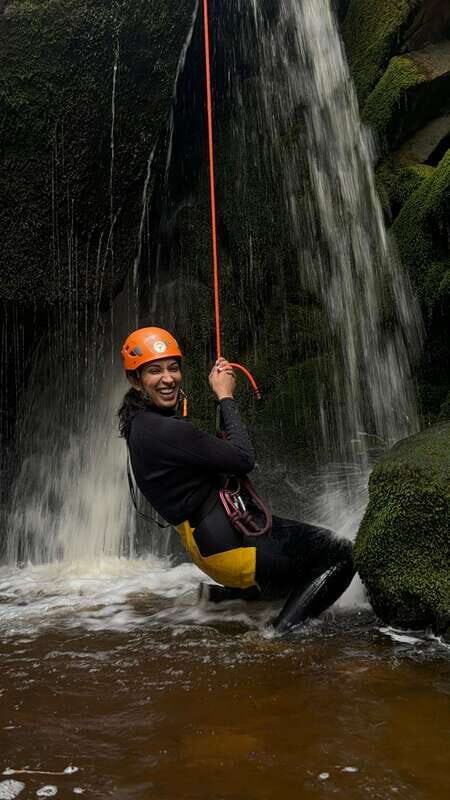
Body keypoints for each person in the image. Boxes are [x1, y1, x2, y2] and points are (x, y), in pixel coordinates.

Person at [118, 326, 355, 633]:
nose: (168, 378)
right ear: (135, 380)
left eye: (173, 368)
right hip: (230, 547)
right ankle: (277, 637)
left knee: (302, 559)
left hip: (210, 544)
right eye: (155, 371)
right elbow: (243, 459)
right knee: (342, 554)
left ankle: (218, 598)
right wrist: (225, 396)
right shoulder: (165, 431)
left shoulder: (140, 423)